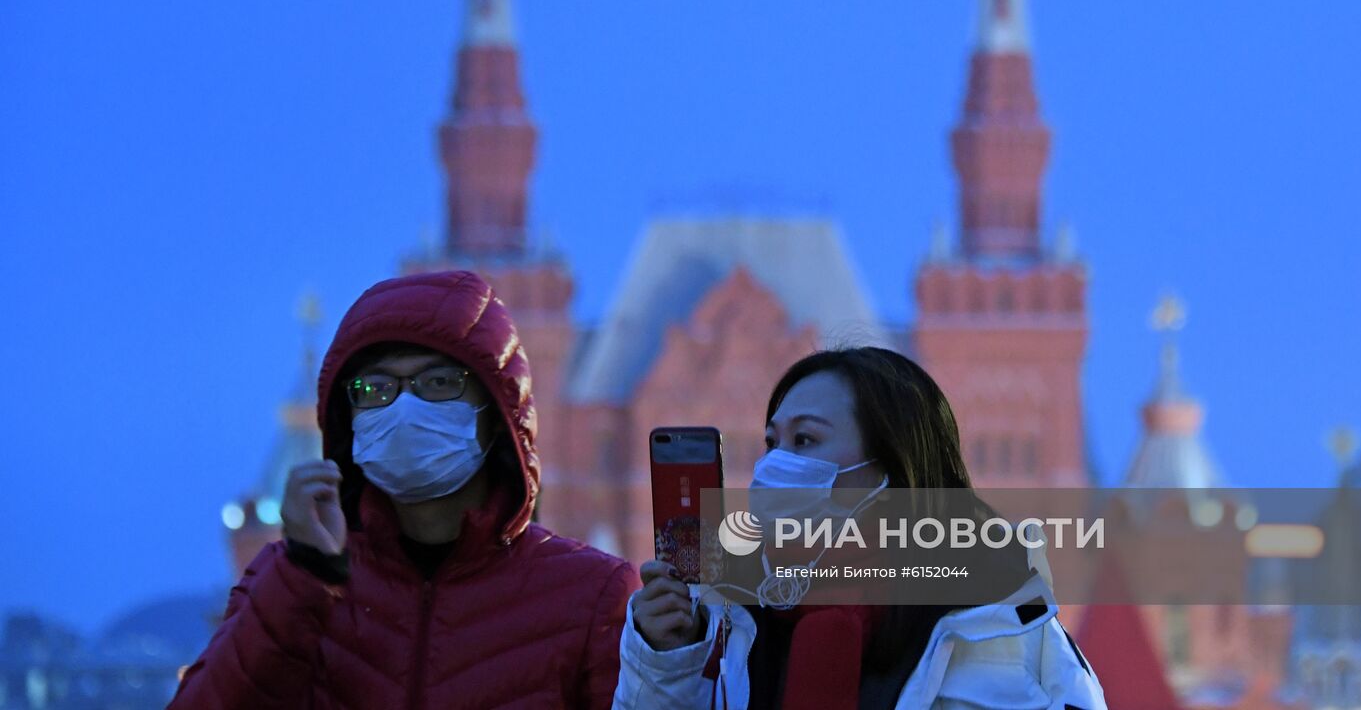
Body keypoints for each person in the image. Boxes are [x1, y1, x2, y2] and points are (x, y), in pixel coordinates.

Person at [173, 270, 639, 709]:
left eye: (438, 382)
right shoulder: (286, 579)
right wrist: (303, 578)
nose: (404, 408)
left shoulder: (591, 594)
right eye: (375, 388)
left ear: (497, 411)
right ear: (347, 417)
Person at [612, 346, 1107, 709]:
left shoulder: (1001, 621)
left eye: (804, 440)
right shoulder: (735, 624)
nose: (774, 465)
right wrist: (666, 664)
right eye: (771, 443)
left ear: (889, 467)